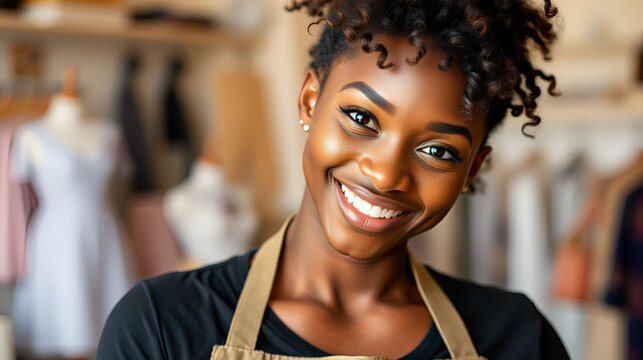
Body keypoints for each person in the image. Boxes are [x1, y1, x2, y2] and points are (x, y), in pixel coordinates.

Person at [97, 0, 569, 359]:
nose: (385, 174)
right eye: (361, 118)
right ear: (309, 100)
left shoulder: (518, 338)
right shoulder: (161, 327)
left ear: (473, 170)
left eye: (438, 151)